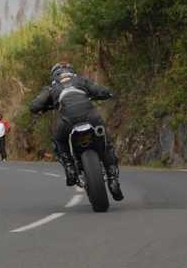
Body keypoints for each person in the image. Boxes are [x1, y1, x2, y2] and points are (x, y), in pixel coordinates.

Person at [29, 62, 123, 200]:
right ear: (71, 71)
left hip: (68, 121)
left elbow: (35, 105)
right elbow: (100, 91)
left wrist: (41, 107)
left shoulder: (51, 88)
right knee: (106, 144)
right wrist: (109, 93)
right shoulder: (81, 80)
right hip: (91, 117)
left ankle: (69, 167)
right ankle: (113, 178)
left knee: (59, 141)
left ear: (54, 75)